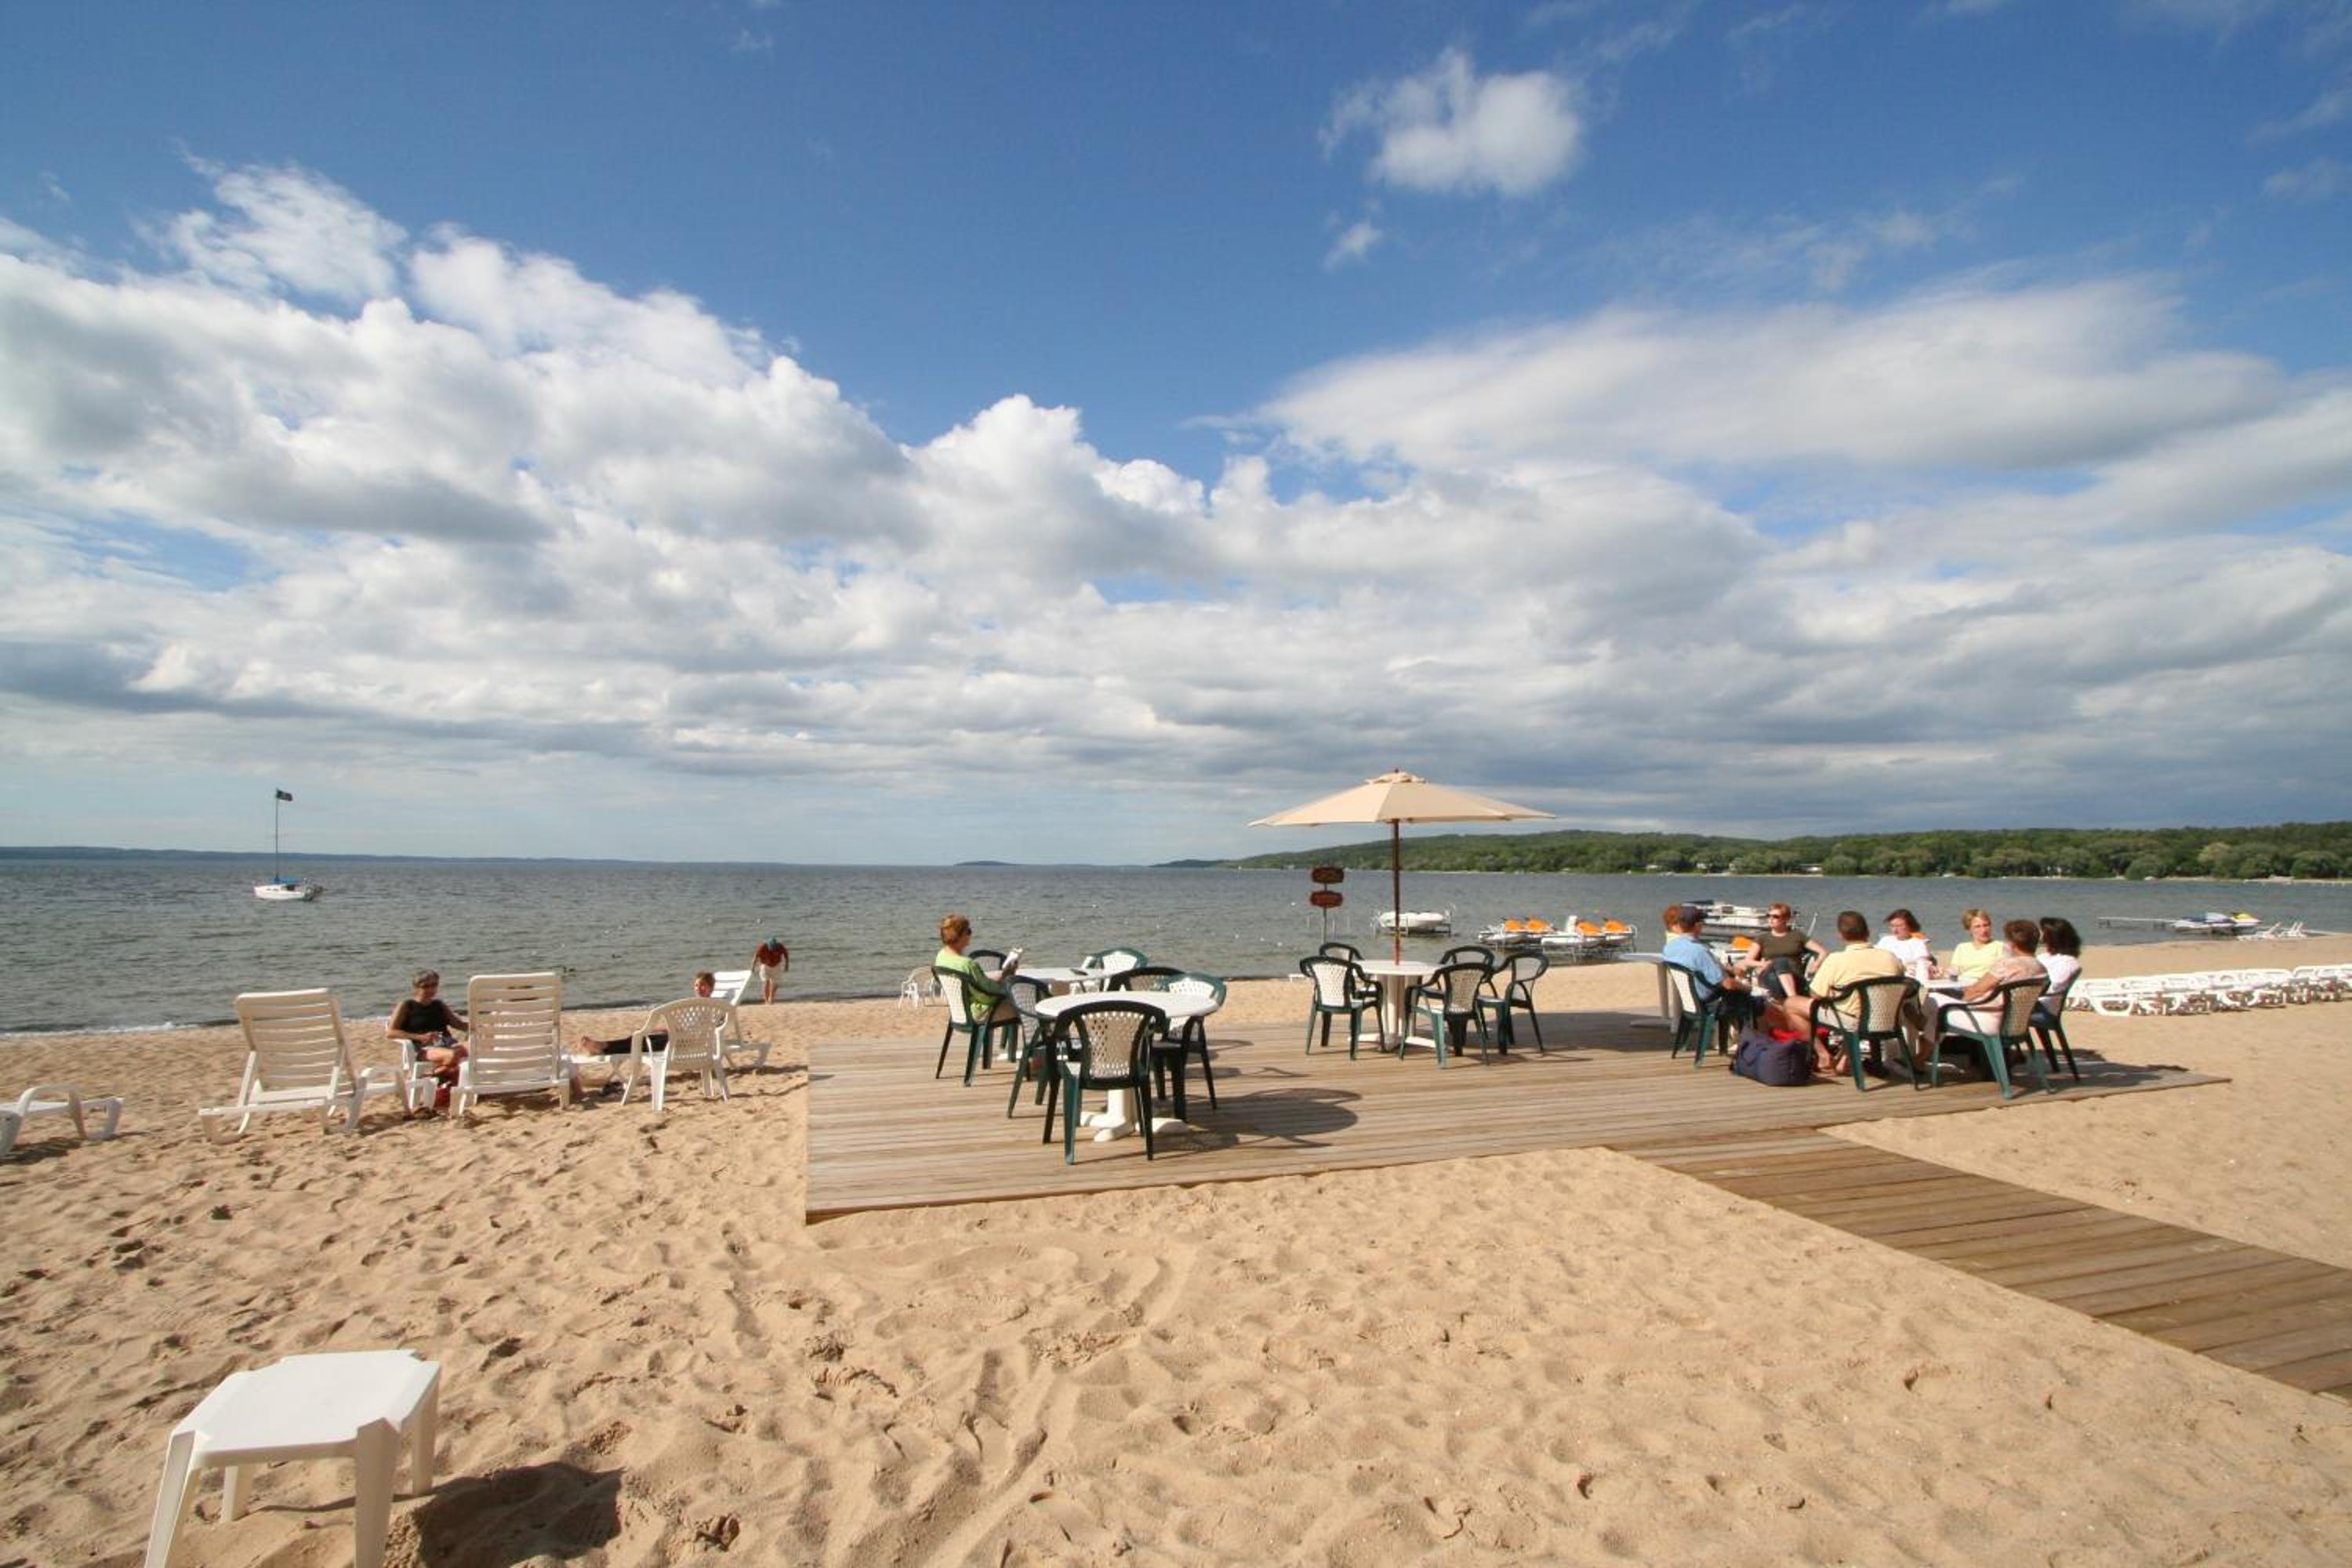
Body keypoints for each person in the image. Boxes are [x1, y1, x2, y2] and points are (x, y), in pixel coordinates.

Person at [1784, 912, 1907, 1074]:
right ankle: (1843, 1060)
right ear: (1867, 932)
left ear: (1841, 935)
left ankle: (1823, 1055)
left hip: (1853, 1020)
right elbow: (1901, 981)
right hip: (1886, 1018)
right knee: (1854, 1008)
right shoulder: (1890, 957)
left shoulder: (1836, 960)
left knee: (1791, 1004)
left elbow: (1816, 995)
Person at [1922, 918, 2047, 1065]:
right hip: (2016, 1022)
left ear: (2013, 944)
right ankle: (1924, 1028)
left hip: (1990, 1019)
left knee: (1937, 1003)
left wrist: (1961, 1001)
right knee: (1938, 1010)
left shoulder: (2007, 965)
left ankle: (1920, 1056)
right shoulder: (2040, 968)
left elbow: (1976, 990)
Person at [1661, 903, 1759, 1025]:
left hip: (1691, 1002)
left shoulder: (1669, 948)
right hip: (1710, 1003)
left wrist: (1728, 969)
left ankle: (1738, 1034)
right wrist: (1750, 989)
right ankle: (1752, 1036)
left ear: (1679, 926)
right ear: (1698, 926)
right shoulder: (1699, 951)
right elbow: (1728, 984)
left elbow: (1698, 966)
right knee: (1758, 1002)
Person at [575, 971, 717, 1056]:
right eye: (696, 985)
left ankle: (603, 1047)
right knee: (639, 1036)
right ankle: (602, 1046)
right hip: (677, 1038)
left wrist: (674, 1031)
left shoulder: (712, 1007)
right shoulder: (694, 1006)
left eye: (703, 985)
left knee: (639, 1042)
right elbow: (684, 1029)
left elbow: (701, 1032)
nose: (699, 988)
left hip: (684, 1044)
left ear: (711, 988)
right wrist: (657, 1029)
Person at [387, 968, 469, 1106]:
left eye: (434, 985)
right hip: (424, 1048)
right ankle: (435, 1081)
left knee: (472, 1049)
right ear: (416, 987)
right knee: (453, 1056)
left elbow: (459, 1024)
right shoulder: (407, 1006)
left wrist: (480, 1024)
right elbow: (391, 1032)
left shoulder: (439, 1005)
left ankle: (432, 1079)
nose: (430, 989)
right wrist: (420, 1037)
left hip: (447, 1043)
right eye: (426, 986)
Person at [935, 913, 1018, 1025]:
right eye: (968, 931)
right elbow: (988, 996)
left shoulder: (941, 956)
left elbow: (977, 983)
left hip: (959, 1012)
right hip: (978, 1013)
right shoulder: (968, 964)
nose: (970, 935)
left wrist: (1002, 976)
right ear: (958, 936)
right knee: (1023, 1006)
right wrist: (1007, 982)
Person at [1738, 902, 1827, 998]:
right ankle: (1793, 998)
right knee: (1779, 964)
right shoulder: (1762, 938)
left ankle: (1789, 999)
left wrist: (1816, 964)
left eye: (1775, 917)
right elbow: (1747, 961)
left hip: (1794, 976)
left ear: (1786, 919)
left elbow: (1823, 951)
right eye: (1768, 916)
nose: (1771, 919)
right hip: (1770, 975)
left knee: (1781, 963)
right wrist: (1763, 964)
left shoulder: (1797, 936)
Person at [2037, 916, 2085, 1022]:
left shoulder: (2068, 962)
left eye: (2042, 932)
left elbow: (2055, 986)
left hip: (2045, 1007)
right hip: (2034, 1002)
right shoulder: (2043, 957)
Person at [1875, 909, 1936, 979]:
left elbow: (1922, 966)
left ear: (1910, 926)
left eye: (1899, 926)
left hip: (1907, 979)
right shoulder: (1885, 941)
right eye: (1892, 926)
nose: (1895, 930)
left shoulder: (1918, 944)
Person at [1947, 909, 2002, 984]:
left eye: (1986, 925)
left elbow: (2002, 974)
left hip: (1987, 986)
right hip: (1963, 985)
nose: (1983, 930)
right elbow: (1954, 972)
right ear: (1969, 929)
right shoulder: (1962, 948)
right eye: (1978, 927)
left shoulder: (2000, 947)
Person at [753, 935, 790, 1004]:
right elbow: (756, 956)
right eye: (771, 948)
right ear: (768, 945)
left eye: (774, 948)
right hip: (765, 966)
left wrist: (787, 965)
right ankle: (766, 1000)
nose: (772, 949)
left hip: (777, 966)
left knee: (775, 984)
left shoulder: (780, 946)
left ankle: (771, 998)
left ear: (776, 945)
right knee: (766, 982)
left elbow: (786, 955)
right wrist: (753, 968)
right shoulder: (763, 947)